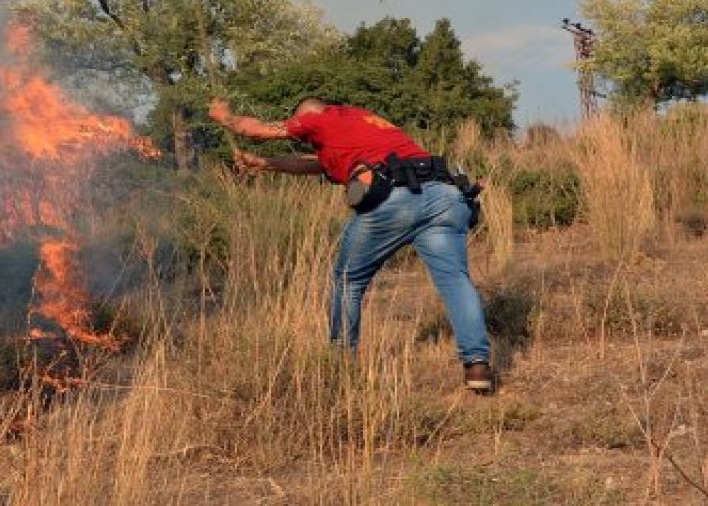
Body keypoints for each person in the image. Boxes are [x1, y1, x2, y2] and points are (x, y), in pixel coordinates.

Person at [208, 96, 495, 393]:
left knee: (348, 281)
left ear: (308, 113)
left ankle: (341, 365)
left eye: (303, 130)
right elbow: (315, 165)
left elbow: (256, 130)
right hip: (445, 197)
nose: (306, 139)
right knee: (455, 281)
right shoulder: (361, 122)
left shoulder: (320, 116)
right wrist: (264, 164)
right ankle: (477, 365)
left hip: (394, 200)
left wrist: (224, 117)